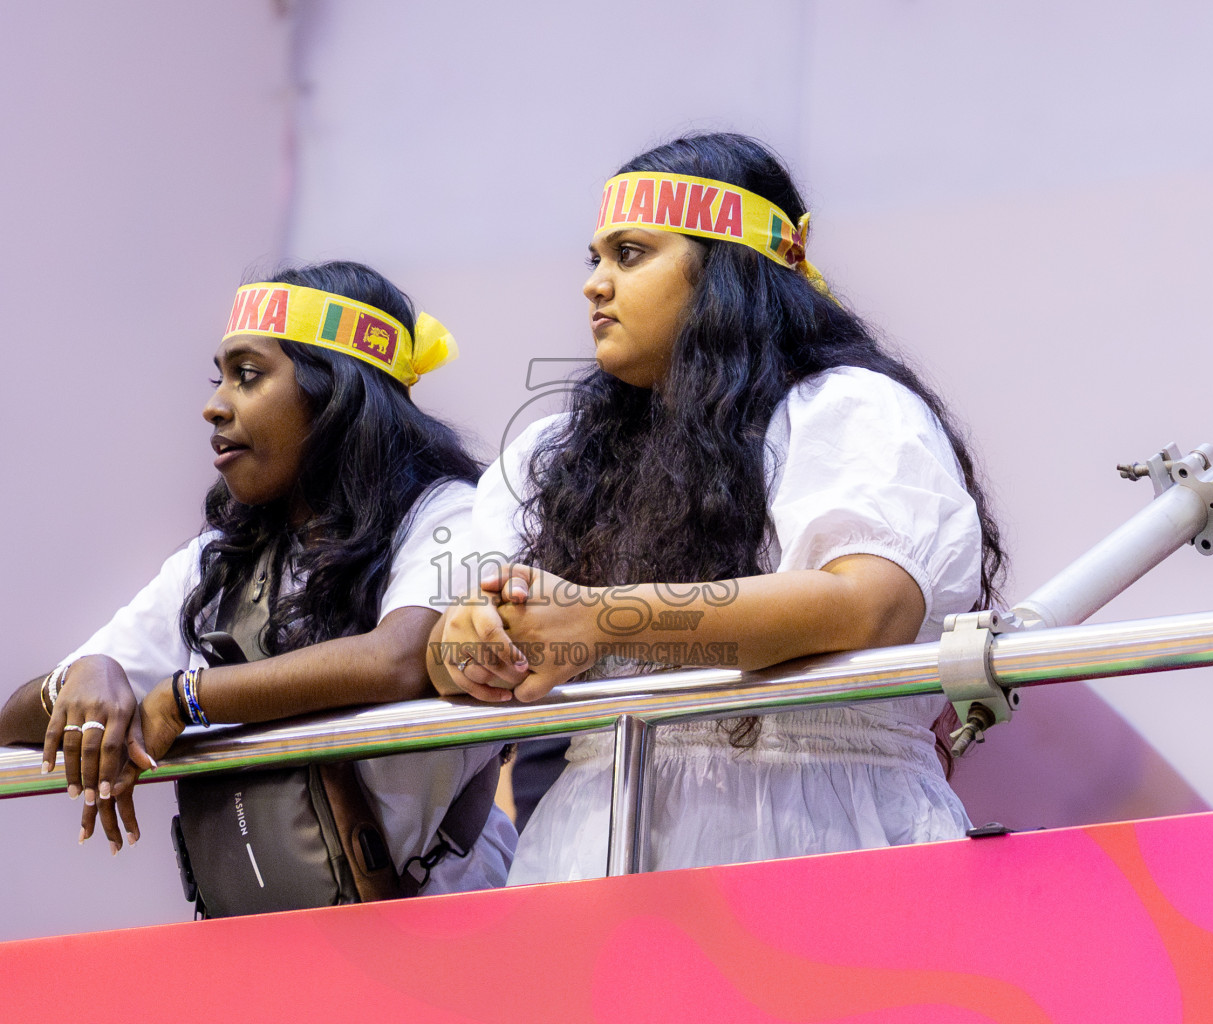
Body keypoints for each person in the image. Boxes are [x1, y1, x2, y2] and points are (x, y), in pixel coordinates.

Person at [428, 132, 1006, 883]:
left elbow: (868, 605)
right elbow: (449, 653)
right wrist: (468, 644)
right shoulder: (556, 454)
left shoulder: (849, 408)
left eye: (629, 254)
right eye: (594, 259)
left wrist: (601, 619)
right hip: (589, 852)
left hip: (823, 846)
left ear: (727, 270)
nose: (595, 284)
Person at [0, 260, 516, 901]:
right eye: (220, 379)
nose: (214, 406)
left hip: (442, 942)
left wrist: (187, 698)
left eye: (248, 376)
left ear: (338, 393)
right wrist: (81, 676)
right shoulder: (217, 560)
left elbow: (400, 657)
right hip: (254, 961)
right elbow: (11, 724)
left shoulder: (449, 513)